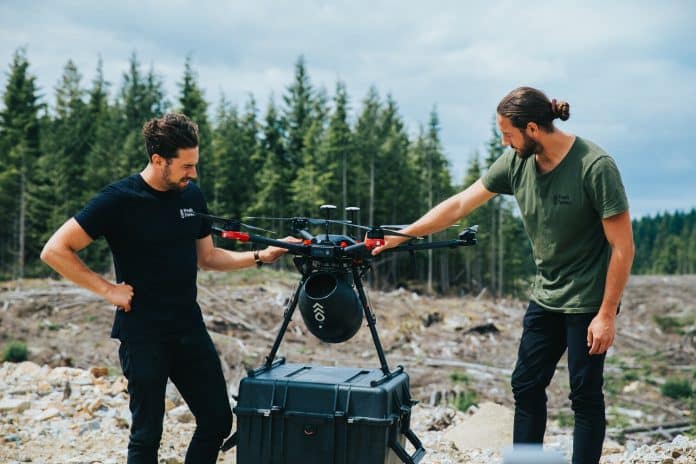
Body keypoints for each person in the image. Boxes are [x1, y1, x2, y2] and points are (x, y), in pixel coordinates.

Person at [373, 87, 634, 464]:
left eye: (508, 134)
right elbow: (460, 204)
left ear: (533, 129)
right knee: (526, 385)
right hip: (547, 294)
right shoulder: (516, 161)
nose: (503, 142)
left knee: (584, 395)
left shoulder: (595, 166)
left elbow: (623, 247)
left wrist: (606, 314)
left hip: (589, 300)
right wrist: (401, 235)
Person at [40, 113, 292, 464]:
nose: (194, 173)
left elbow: (208, 257)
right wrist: (108, 290)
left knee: (217, 419)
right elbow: (55, 250)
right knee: (147, 435)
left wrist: (262, 255)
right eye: (186, 165)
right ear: (159, 160)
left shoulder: (191, 196)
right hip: (143, 333)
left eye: (195, 164)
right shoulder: (119, 199)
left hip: (188, 326)